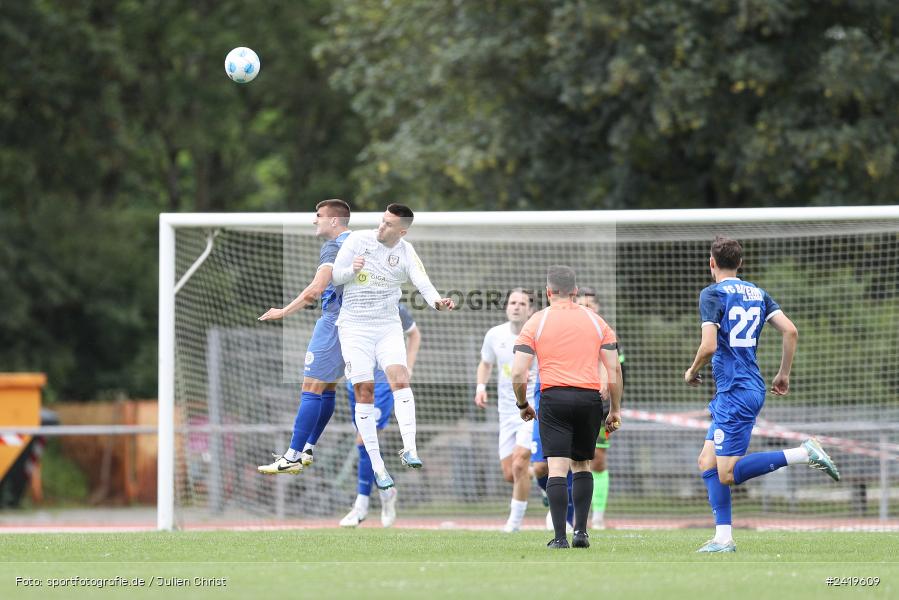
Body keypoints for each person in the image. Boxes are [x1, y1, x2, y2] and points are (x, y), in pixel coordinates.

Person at [685, 236, 840, 553]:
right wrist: (783, 373)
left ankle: (803, 453)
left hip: (736, 392)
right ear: (740, 263)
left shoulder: (712, 293)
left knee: (727, 473)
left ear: (711, 262)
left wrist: (692, 370)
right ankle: (723, 538)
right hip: (742, 389)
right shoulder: (758, 293)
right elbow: (790, 330)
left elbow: (709, 345)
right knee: (707, 460)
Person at [331, 204, 455, 490]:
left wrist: (438, 301)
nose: (381, 227)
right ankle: (378, 466)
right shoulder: (357, 240)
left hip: (387, 327)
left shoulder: (406, 251)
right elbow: (335, 276)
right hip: (354, 328)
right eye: (382, 221)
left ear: (402, 231)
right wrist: (352, 269)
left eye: (388, 224)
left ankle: (409, 449)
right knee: (365, 390)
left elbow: (422, 281)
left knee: (400, 379)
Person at [512, 266, 622, 549]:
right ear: (575, 291)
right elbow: (614, 371)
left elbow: (518, 372)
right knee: (583, 465)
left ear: (549, 292)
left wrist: (523, 403)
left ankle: (560, 537)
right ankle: (582, 533)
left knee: (557, 468)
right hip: (588, 400)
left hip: (553, 398)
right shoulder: (598, 322)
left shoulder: (537, 321)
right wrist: (615, 410)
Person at [257, 199, 352, 475]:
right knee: (328, 388)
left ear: (334, 221)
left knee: (311, 388)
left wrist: (283, 311)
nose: (315, 220)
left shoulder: (333, 247)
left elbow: (316, 289)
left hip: (334, 324)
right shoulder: (362, 244)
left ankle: (293, 455)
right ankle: (308, 446)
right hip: (357, 326)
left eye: (319, 215)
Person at [340, 303, 421, 528]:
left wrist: (409, 367)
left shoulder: (394, 305)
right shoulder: (350, 302)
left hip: (382, 383)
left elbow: (414, 335)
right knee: (363, 440)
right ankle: (386, 494)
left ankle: (361, 505)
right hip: (355, 378)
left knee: (364, 439)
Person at [474, 289, 538, 533]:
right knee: (511, 474)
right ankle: (541, 477)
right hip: (506, 411)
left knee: (520, 463)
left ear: (530, 310)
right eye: (513, 302)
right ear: (506, 307)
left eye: (522, 303)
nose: (517, 307)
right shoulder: (495, 334)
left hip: (531, 407)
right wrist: (481, 387)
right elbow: (486, 363)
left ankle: (514, 523)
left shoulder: (538, 336)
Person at [575, 286, 624, 530]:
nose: (586, 308)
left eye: (590, 304)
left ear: (598, 308)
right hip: (570, 400)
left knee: (597, 461)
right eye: (581, 304)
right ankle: (567, 514)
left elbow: (616, 368)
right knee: (569, 458)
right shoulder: (568, 333)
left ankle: (597, 516)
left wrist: (614, 403)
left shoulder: (606, 334)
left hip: (599, 405)